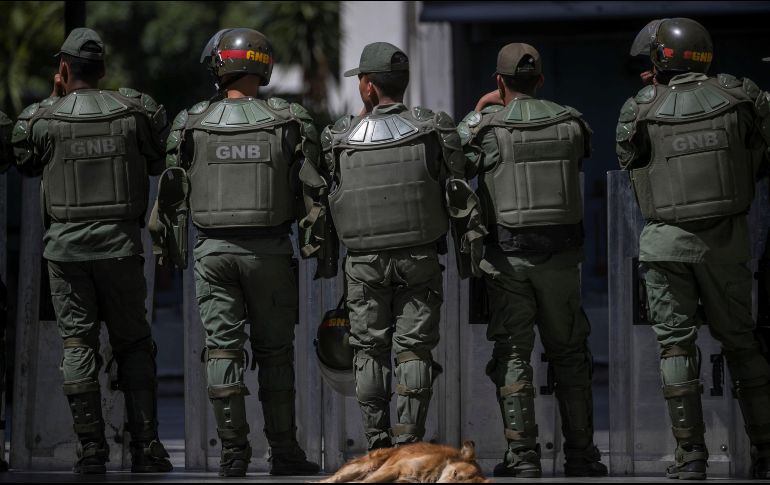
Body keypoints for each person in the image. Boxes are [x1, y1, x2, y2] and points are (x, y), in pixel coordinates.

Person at [154, 28, 321, 477]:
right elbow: (314, 183)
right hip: (269, 252)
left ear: (219, 65)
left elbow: (172, 189)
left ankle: (233, 454)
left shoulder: (189, 122)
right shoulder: (290, 120)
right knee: (275, 355)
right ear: (262, 65)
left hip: (213, 252)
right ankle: (284, 453)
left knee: (223, 354)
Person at [10, 28, 172, 474]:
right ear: (102, 70)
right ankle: (146, 446)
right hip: (120, 248)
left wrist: (54, 97)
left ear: (63, 70)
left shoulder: (43, 118)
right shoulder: (134, 112)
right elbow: (158, 157)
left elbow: (24, 162)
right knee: (134, 344)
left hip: (65, 253)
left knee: (78, 344)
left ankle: (91, 449)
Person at [616, 17, 770, 479]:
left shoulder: (639, 108)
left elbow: (628, 162)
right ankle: (766, 452)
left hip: (665, 245)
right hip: (727, 244)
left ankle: (691, 458)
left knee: (676, 350)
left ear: (662, 58)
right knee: (742, 342)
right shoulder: (741, 96)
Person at [317, 41, 485, 451]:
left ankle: (376, 443)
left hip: (363, 264)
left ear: (369, 87)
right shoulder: (434, 127)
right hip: (419, 257)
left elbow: (332, 171)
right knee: (413, 352)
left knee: (369, 350)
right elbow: (458, 173)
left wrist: (364, 114)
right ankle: (409, 441)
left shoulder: (339, 135)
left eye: (361, 80)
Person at [458, 42, 607, 478]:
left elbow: (455, 156)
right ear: (540, 81)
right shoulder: (571, 122)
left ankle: (523, 458)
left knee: (513, 355)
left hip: (507, 262)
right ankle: (581, 456)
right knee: (571, 355)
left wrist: (480, 109)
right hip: (562, 261)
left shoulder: (487, 128)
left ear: (500, 82)